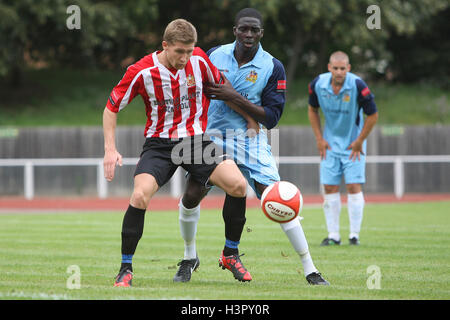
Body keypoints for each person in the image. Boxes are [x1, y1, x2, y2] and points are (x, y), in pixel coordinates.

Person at [173, 8, 329, 285]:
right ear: (235, 30)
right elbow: (201, 90)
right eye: (243, 29)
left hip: (249, 141)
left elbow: (271, 118)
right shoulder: (212, 56)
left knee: (279, 198)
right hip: (210, 137)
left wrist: (236, 99)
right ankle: (189, 257)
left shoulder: (272, 66)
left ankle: (310, 269)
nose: (248, 34)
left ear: (261, 33)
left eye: (253, 30)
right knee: (192, 194)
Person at [103, 19, 250, 287]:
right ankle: (125, 269)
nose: (185, 58)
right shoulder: (141, 71)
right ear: (165, 45)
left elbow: (223, 88)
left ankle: (230, 254)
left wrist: (250, 119)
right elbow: (111, 108)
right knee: (139, 195)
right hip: (159, 145)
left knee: (239, 185)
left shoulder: (200, 60)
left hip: (195, 143)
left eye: (189, 51)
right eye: (179, 51)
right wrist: (110, 150)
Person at [307, 51, 378, 246]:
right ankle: (333, 236)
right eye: (335, 68)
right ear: (329, 68)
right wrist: (319, 139)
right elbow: (312, 109)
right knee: (329, 187)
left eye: (343, 68)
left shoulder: (358, 85)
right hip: (329, 145)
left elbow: (373, 115)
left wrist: (359, 141)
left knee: (353, 186)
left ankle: (354, 236)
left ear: (348, 68)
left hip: (353, 146)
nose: (339, 72)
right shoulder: (317, 85)